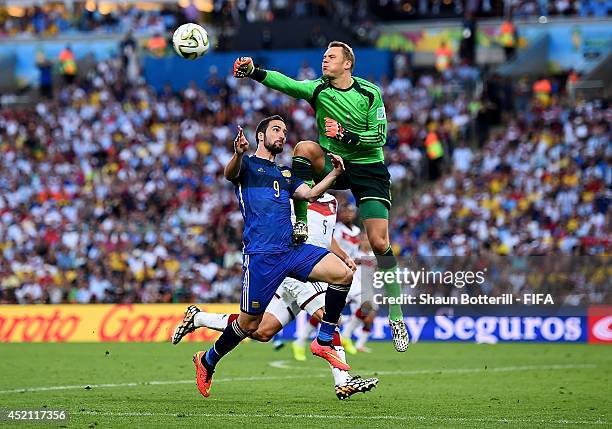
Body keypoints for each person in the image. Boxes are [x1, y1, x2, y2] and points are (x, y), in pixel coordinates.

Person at [233, 41, 409, 352]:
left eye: (331, 57)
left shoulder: (369, 92)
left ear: (347, 64)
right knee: (303, 149)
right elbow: (287, 84)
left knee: (380, 242)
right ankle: (300, 221)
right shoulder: (318, 88)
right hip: (335, 163)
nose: (324, 61)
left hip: (369, 169)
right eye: (324, 56)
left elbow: (379, 136)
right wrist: (254, 72)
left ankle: (396, 316)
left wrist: (346, 134)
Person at [182, 115, 356, 398]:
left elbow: (310, 195)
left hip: (291, 250)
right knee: (250, 325)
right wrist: (237, 154)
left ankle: (324, 339)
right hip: (261, 255)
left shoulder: (286, 174)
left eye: (285, 131)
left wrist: (334, 175)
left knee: (343, 274)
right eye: (276, 129)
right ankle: (207, 360)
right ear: (260, 137)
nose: (282, 134)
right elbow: (230, 173)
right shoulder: (247, 165)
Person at [173, 194, 379, 400]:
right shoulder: (296, 193)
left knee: (262, 331)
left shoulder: (331, 201)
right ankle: (343, 381)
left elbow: (326, 237)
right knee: (329, 316)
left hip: (315, 269)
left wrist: (343, 256)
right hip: (296, 267)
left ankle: (200, 321)